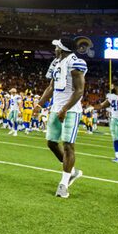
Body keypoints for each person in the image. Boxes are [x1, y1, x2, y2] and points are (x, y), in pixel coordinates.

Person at [36, 37, 86, 198]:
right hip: (56, 108)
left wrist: (65, 109)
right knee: (51, 143)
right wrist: (39, 104)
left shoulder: (75, 63)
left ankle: (63, 184)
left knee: (68, 146)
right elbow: (51, 87)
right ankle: (71, 172)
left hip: (70, 111)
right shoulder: (56, 63)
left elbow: (79, 91)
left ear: (62, 49)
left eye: (57, 47)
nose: (55, 49)